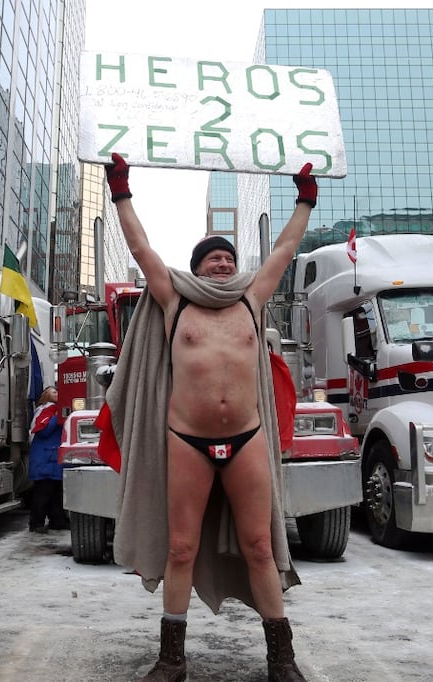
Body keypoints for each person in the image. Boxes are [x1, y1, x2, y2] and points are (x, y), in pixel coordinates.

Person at [101, 152, 316, 682]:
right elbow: (139, 247)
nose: (221, 264)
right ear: (195, 268)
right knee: (180, 547)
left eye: (227, 258)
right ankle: (171, 659)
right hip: (185, 439)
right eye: (211, 259)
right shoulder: (175, 302)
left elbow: (286, 249)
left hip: (246, 439)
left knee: (260, 546)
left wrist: (305, 200)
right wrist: (121, 191)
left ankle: (281, 659)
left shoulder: (252, 300)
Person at [28, 386, 68, 533]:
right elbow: (43, 430)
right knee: (43, 493)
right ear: (46, 395)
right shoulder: (46, 410)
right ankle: (36, 522)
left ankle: (57, 520)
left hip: (50, 458)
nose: (57, 393)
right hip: (46, 459)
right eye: (54, 392)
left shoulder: (52, 409)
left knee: (55, 493)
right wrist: (59, 416)